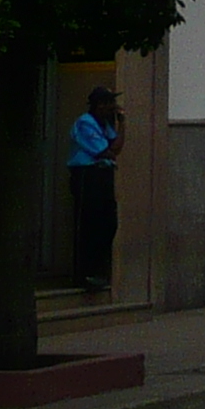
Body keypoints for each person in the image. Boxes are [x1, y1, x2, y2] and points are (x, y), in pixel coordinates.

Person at [65, 86, 121, 293]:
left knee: (108, 223)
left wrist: (122, 125)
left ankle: (98, 270)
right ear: (100, 105)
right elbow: (105, 152)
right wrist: (111, 151)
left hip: (102, 176)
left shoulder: (104, 124)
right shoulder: (85, 123)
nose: (113, 107)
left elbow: (117, 147)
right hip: (87, 176)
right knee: (88, 224)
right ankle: (85, 273)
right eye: (110, 103)